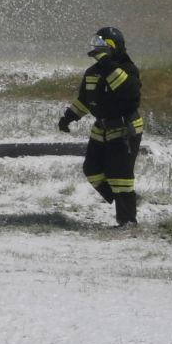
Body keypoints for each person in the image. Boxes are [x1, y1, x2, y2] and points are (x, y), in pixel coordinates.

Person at [58, 26, 143, 227]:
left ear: (115, 48)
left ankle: (128, 221)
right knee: (92, 169)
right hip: (101, 128)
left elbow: (128, 93)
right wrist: (68, 117)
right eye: (97, 46)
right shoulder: (92, 73)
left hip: (125, 129)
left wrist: (107, 65)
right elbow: (85, 101)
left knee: (119, 176)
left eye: (104, 46)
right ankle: (126, 200)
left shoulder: (128, 69)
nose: (99, 51)